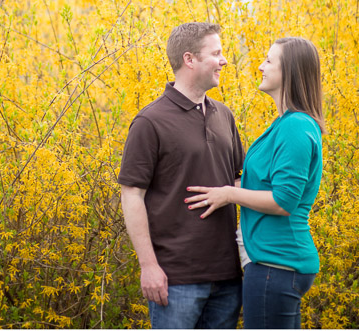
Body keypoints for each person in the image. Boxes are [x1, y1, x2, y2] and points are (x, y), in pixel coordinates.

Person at [184, 37, 324, 329]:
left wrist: (228, 194)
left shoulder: (296, 126)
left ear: (291, 71)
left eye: (269, 61)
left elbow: (284, 201)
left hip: (277, 263)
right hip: (273, 262)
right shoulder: (284, 124)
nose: (261, 66)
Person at [118, 22, 245, 329]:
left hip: (228, 278)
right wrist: (148, 266)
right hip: (176, 280)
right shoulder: (150, 121)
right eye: (216, 53)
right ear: (190, 60)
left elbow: (240, 183)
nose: (224, 60)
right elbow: (131, 195)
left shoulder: (224, 116)